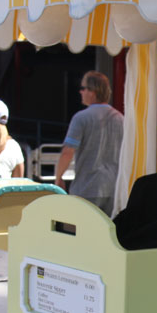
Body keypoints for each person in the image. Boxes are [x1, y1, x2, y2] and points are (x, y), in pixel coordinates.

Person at [54, 71, 123, 214]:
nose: (80, 91)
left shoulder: (81, 118)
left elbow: (68, 151)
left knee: (83, 232)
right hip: (113, 188)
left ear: (93, 91)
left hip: (87, 188)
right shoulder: (120, 119)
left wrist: (58, 177)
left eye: (83, 88)